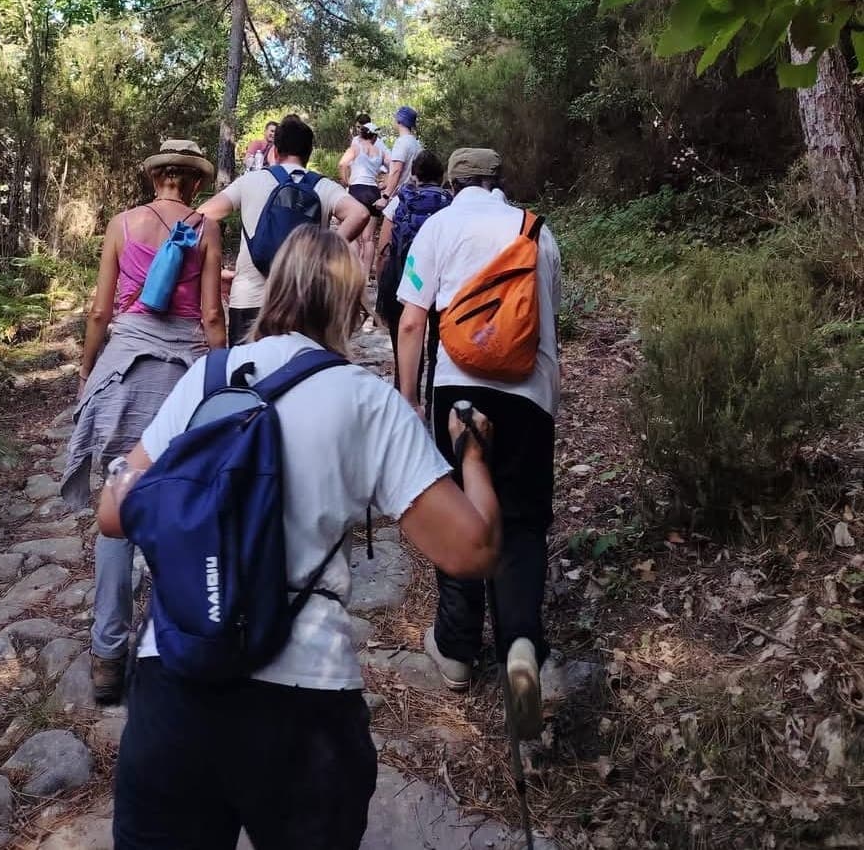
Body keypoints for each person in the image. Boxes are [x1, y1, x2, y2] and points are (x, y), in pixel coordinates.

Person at [97, 226, 501, 850]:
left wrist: (125, 467)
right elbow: (470, 551)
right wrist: (472, 454)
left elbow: (112, 516)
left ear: (274, 287)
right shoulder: (365, 400)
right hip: (302, 702)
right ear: (351, 304)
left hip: (173, 685)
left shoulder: (211, 377)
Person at [395, 147, 561, 740]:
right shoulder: (537, 232)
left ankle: (458, 649)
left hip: (459, 392)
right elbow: (548, 324)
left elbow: (412, 321)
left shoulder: (438, 226)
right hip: (529, 395)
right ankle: (521, 646)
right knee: (519, 524)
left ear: (451, 184)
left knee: (461, 513)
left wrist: (409, 399)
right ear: (500, 182)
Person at [61, 138, 226, 705]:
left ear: (157, 177)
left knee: (118, 501)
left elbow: (101, 310)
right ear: (196, 183)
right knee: (178, 502)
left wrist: (88, 370)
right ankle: (167, 642)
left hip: (125, 368)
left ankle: (108, 655)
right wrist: (219, 377)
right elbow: (209, 314)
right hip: (182, 374)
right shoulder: (204, 228)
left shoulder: (121, 223)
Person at [198, 113, 369, 345]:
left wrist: (212, 269)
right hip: (303, 300)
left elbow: (200, 215)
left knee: (246, 376)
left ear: (275, 152)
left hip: (249, 298)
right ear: (308, 154)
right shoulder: (322, 186)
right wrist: (323, 251)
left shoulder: (250, 181)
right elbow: (360, 213)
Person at [375, 148, 450, 397]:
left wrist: (382, 281)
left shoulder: (400, 200)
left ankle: (406, 395)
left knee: (405, 341)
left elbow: (384, 247)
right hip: (441, 281)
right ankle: (433, 399)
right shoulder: (449, 202)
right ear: (441, 176)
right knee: (438, 343)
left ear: (414, 175)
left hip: (406, 277)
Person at [338, 119, 389, 280]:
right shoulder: (380, 153)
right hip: (373, 191)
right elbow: (393, 167)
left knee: (353, 234)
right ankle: (366, 275)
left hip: (357, 189)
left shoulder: (355, 147)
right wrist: (385, 184)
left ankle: (353, 272)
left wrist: (346, 180)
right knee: (369, 238)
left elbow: (342, 164)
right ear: (373, 137)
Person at [378, 105, 422, 205]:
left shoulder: (401, 142)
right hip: (414, 193)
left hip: (401, 196)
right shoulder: (417, 143)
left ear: (399, 121)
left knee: (387, 220)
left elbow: (396, 170)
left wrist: (386, 196)